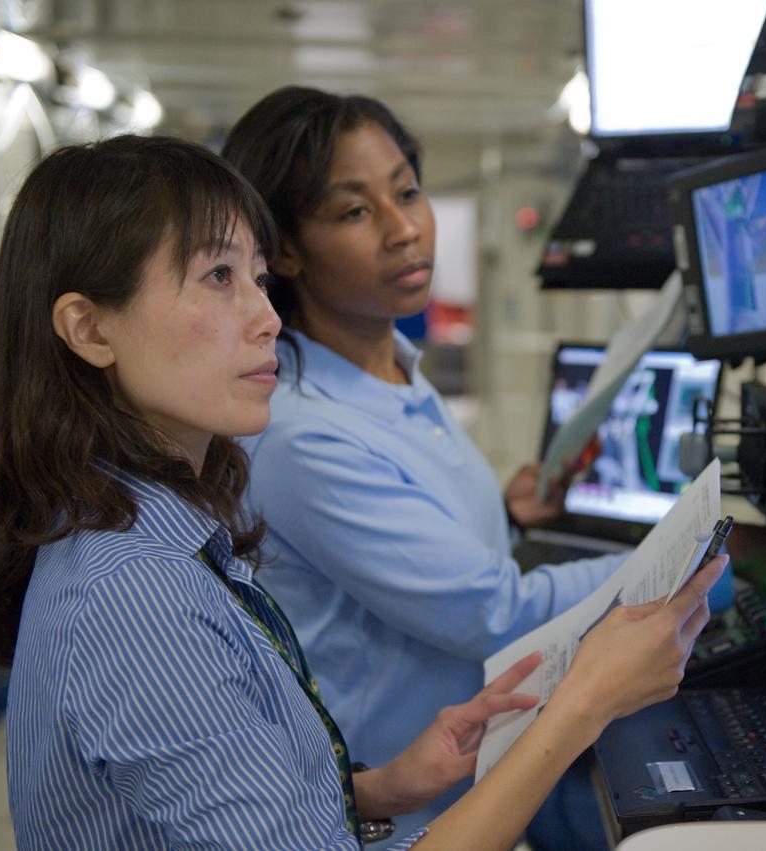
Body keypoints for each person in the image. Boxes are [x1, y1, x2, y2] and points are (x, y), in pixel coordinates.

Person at [0, 134, 726, 850]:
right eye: (217, 276)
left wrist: (384, 787)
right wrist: (581, 703)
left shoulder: (154, 532)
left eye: (256, 276)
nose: (265, 318)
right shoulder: (136, 597)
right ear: (89, 329)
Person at [223, 86, 672, 844]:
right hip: (403, 820)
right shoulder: (299, 431)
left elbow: (404, 536)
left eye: (408, 192)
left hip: (471, 781)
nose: (405, 230)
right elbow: (496, 611)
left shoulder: (390, 367)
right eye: (355, 211)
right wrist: (703, 557)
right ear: (287, 250)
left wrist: (503, 509)